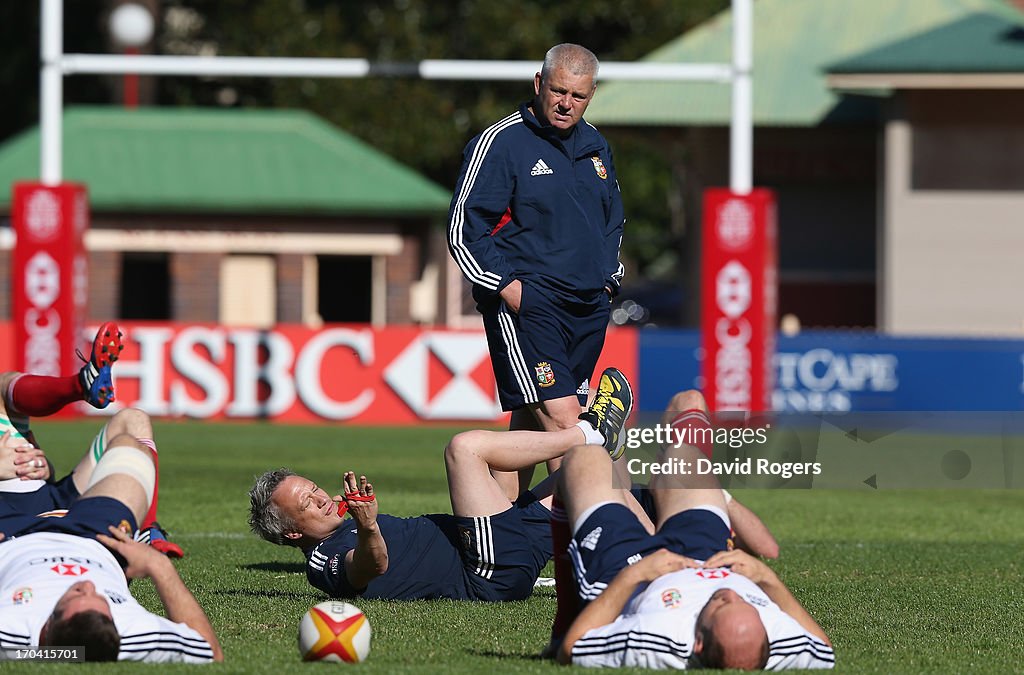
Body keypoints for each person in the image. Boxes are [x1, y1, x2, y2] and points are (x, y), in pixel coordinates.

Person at [248, 367, 633, 602]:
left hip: (502, 550)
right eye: (307, 504)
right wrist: (367, 526)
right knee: (464, 449)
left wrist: (357, 520)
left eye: (313, 489)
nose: (319, 498)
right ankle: (590, 432)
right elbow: (369, 567)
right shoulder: (320, 562)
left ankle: (650, 550)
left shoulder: (342, 522)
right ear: (295, 533)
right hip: (487, 572)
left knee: (590, 470)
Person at [447, 43, 625, 499]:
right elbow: (464, 228)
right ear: (538, 84)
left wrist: (607, 281)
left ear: (592, 95)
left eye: (579, 96)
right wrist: (508, 288)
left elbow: (612, 221)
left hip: (587, 305)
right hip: (531, 306)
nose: (567, 103)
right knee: (569, 425)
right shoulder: (501, 142)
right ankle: (593, 543)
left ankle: (503, 542)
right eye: (558, 91)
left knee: (533, 422)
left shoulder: (595, 145)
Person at [552, 390, 835, 670]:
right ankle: (651, 497)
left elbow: (574, 648)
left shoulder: (661, 639)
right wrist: (766, 579)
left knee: (584, 457)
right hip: (708, 556)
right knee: (684, 454)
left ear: (697, 642)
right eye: (746, 603)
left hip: (631, 575)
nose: (730, 594)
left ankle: (564, 621)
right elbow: (823, 650)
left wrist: (637, 574)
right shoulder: (774, 642)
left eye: (723, 604)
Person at [0, 411, 222, 662]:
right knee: (129, 446)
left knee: (8, 443)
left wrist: (37, 654)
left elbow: (55, 653)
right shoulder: (127, 634)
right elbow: (210, 651)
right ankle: (148, 529)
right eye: (101, 599)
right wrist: (159, 566)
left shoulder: (12, 630)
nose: (89, 585)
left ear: (47, 626)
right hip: (99, 539)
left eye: (77, 594)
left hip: (12, 535)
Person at [0, 322, 182, 557]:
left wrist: (45, 469)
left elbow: (42, 474)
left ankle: (146, 531)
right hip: (12, 520)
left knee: (133, 420)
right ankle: (80, 384)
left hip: (55, 500)